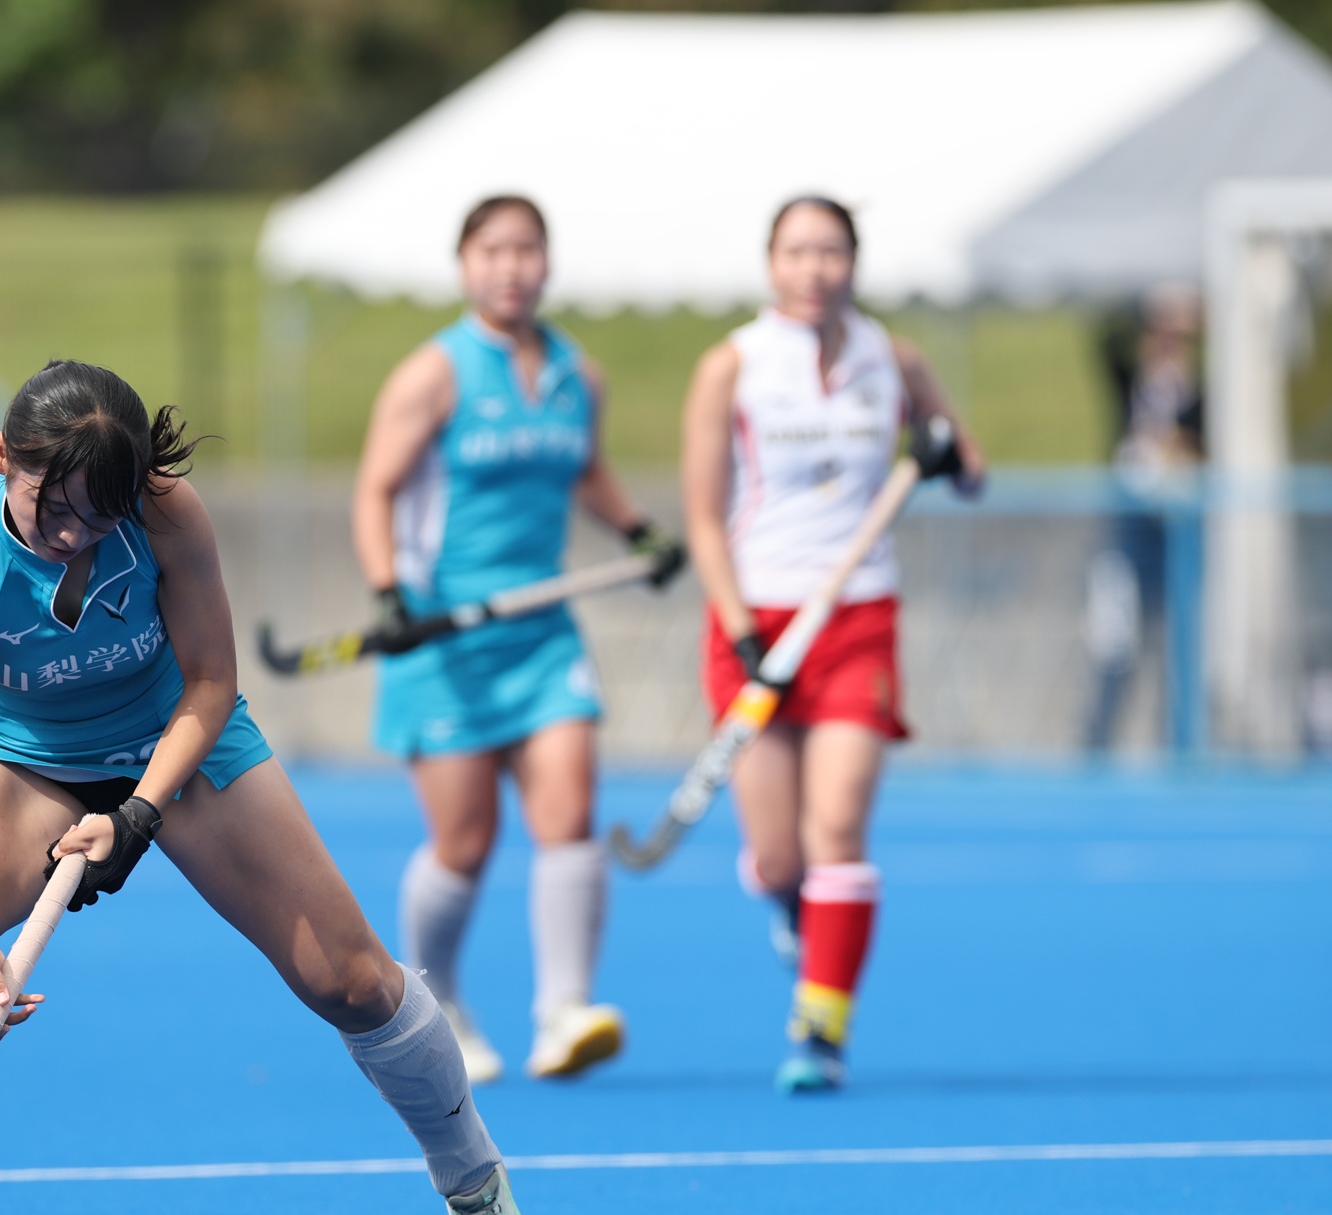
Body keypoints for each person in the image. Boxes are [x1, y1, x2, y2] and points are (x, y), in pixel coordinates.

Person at [0, 360, 543, 1215]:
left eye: (97, 518)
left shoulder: (165, 513)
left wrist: (137, 813)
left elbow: (211, 680)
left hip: (176, 741)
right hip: (25, 758)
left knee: (352, 980)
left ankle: (472, 1182)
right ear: (2, 456)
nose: (71, 534)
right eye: (53, 507)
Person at [352, 196, 676, 1087]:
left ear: (548, 262)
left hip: (541, 635)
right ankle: (434, 1006)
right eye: (493, 250)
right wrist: (387, 593)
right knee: (465, 842)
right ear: (465, 263)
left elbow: (584, 469)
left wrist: (637, 530)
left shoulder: (578, 373)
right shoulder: (434, 374)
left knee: (569, 814)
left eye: (527, 249)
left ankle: (565, 1010)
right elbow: (376, 489)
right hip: (443, 639)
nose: (511, 267)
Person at [679, 196, 983, 1094]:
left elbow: (969, 467)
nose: (814, 269)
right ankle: (794, 908)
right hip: (756, 620)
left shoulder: (894, 358)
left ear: (855, 260)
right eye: (797, 251)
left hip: (857, 617)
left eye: (831, 251)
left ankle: (822, 1028)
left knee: (839, 828)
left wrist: (948, 455)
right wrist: (741, 630)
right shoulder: (731, 365)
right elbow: (703, 518)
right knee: (780, 857)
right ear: (771, 263)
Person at [1084, 285, 1202, 751]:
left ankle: (1178, 750)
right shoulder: (1131, 385)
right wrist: (1153, 311)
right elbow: (1105, 338)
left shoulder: (1196, 399)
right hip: (1126, 536)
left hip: (1174, 538)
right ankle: (1097, 746)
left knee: (1177, 649)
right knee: (1114, 646)